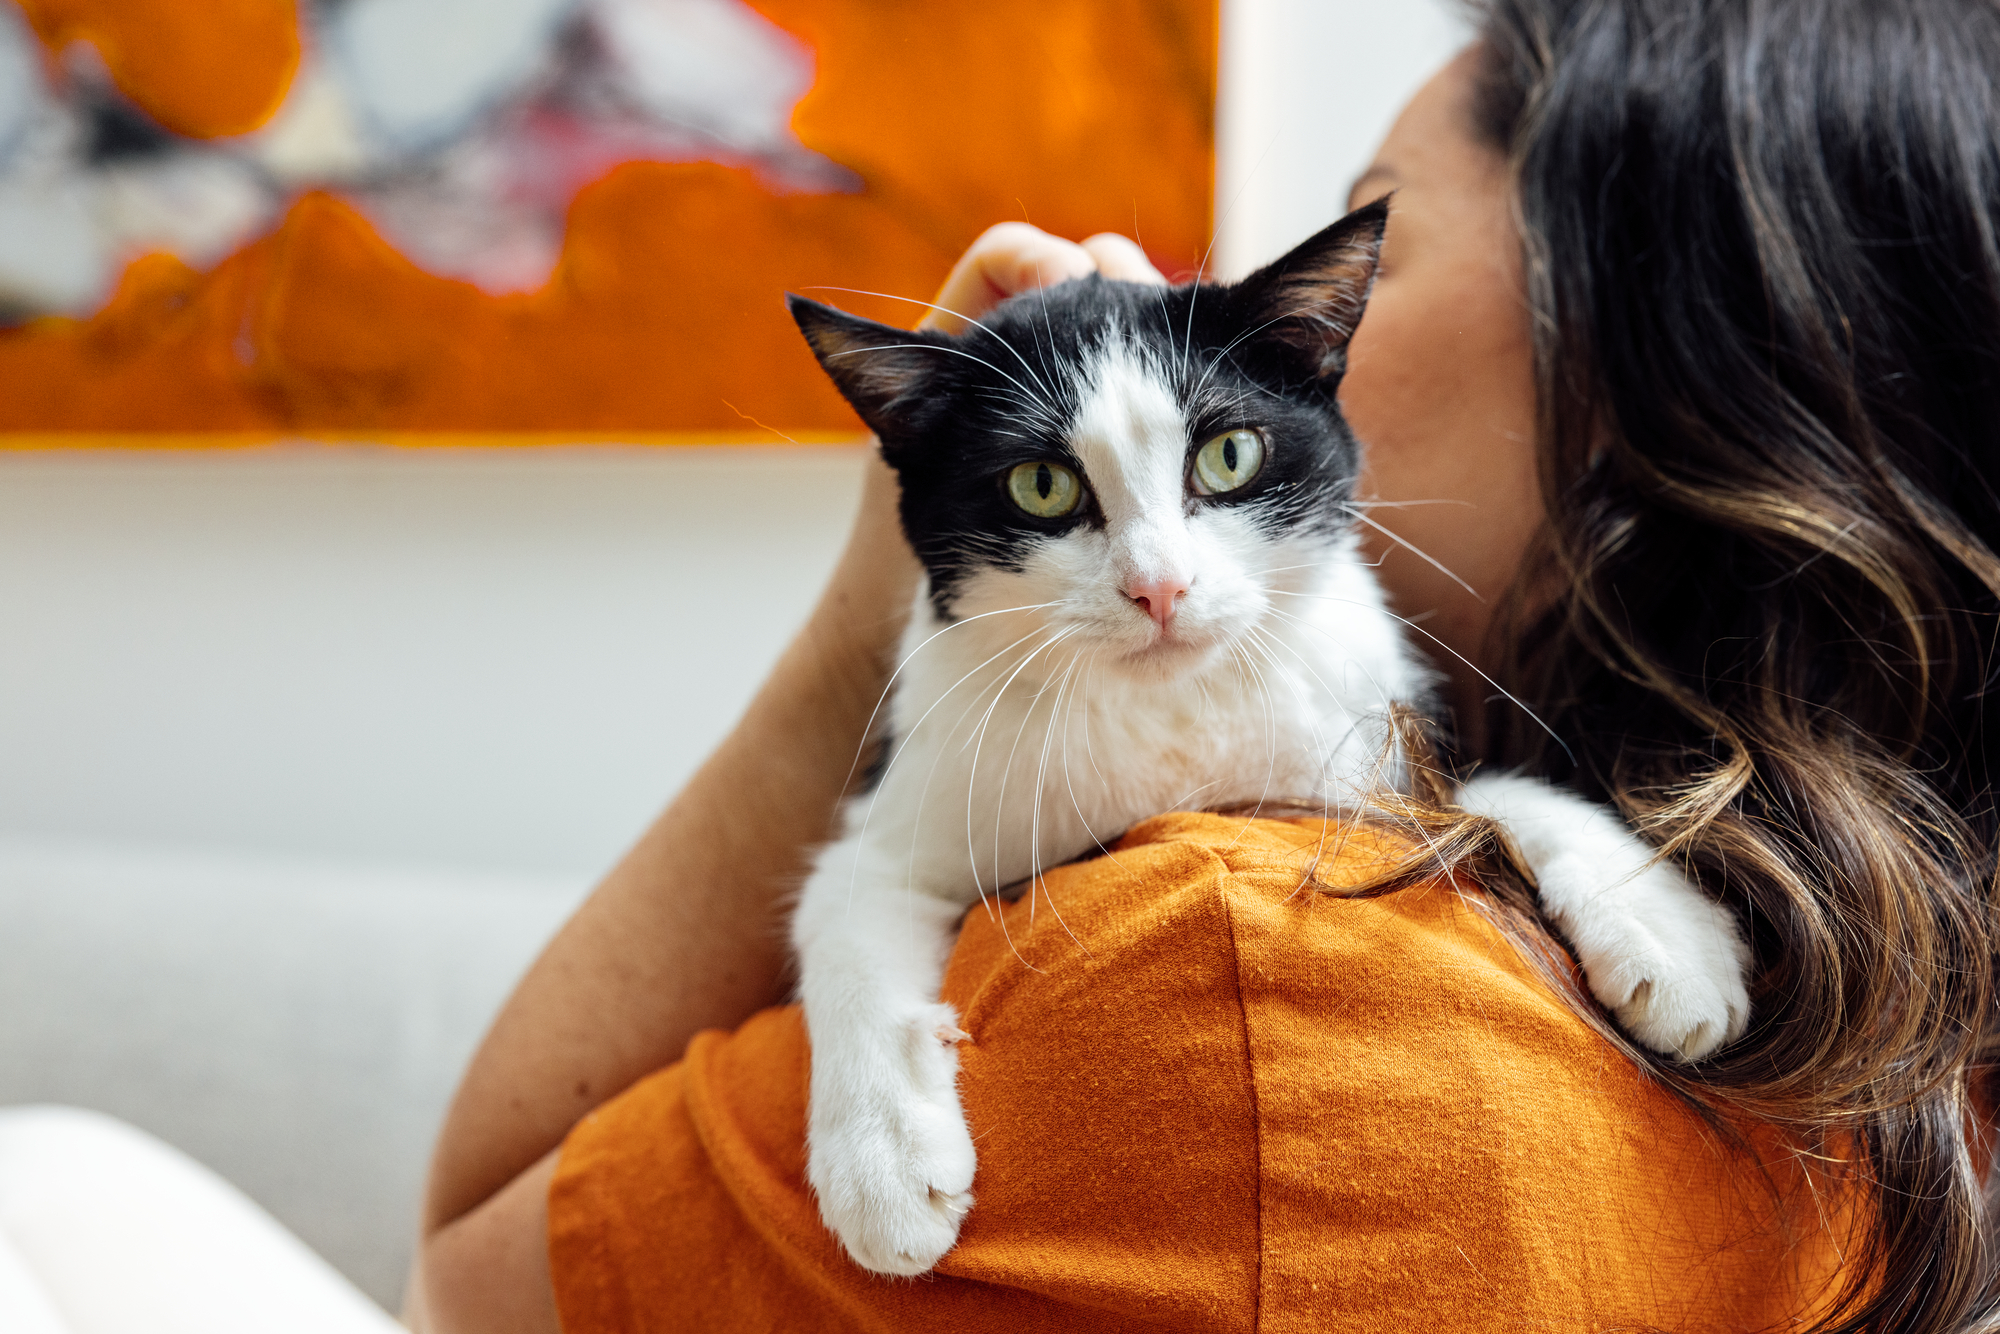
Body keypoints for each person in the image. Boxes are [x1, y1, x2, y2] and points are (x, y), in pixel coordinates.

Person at [409, 0, 2000, 1329]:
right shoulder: (1921, 1048)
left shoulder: (1228, 971)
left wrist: (851, 639)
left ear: (1644, 347)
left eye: (1380, 223)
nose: (1163, 575)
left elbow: (465, 1274)